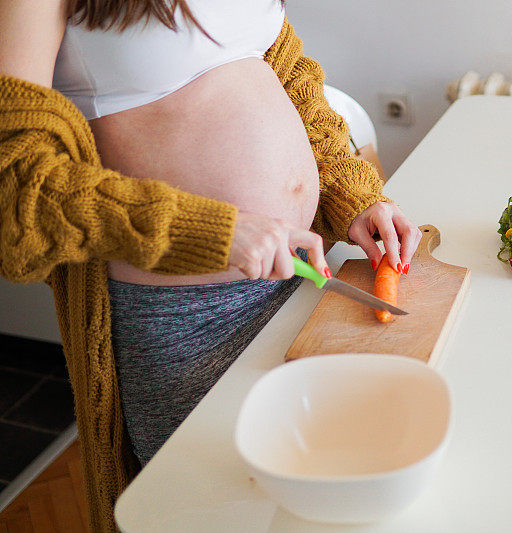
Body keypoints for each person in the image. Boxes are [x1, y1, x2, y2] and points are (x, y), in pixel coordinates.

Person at [0, 0, 422, 530]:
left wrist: (352, 193)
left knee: (312, 500)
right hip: (188, 319)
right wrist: (210, 231)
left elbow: (287, 74)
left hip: (298, 279)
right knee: (211, 510)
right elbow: (18, 185)